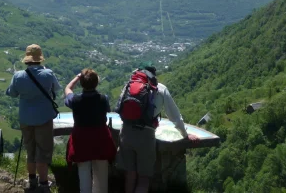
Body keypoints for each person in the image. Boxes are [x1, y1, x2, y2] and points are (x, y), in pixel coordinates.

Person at [116, 64, 200, 193]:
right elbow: (175, 117)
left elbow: (119, 108)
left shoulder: (129, 86)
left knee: (130, 175)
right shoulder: (160, 89)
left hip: (125, 133)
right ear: (154, 75)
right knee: (144, 179)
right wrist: (185, 135)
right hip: (146, 135)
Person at [6, 44, 61, 192]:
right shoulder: (48, 74)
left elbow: (11, 93)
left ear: (27, 59)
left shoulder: (18, 76)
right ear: (40, 59)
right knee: (43, 151)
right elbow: (56, 89)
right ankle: (43, 184)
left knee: (30, 150)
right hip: (44, 118)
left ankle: (32, 181)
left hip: (25, 118)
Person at [65, 69, 117, 193]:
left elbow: (67, 89)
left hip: (81, 140)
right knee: (101, 174)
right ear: (97, 83)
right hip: (101, 138)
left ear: (82, 83)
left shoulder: (75, 100)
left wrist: (78, 77)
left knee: (83, 173)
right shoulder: (103, 99)